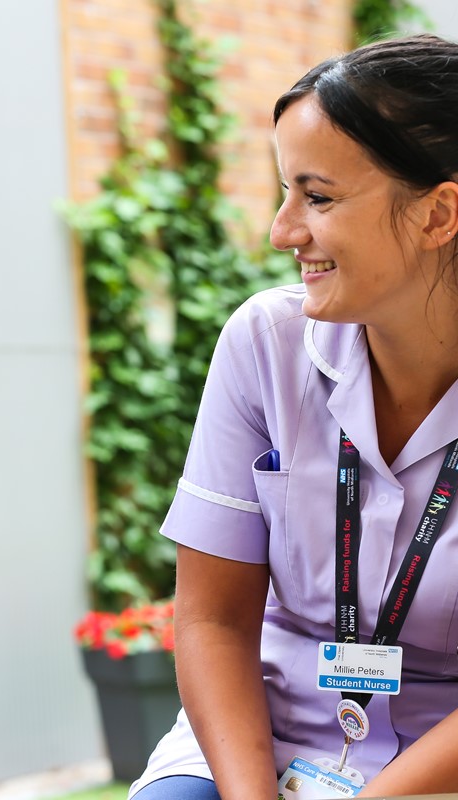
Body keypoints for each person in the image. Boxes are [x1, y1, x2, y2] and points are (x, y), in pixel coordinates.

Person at [128, 32, 458, 800]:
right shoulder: (266, 343)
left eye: (318, 197)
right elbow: (213, 623)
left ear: (441, 211)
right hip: (257, 743)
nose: (282, 232)